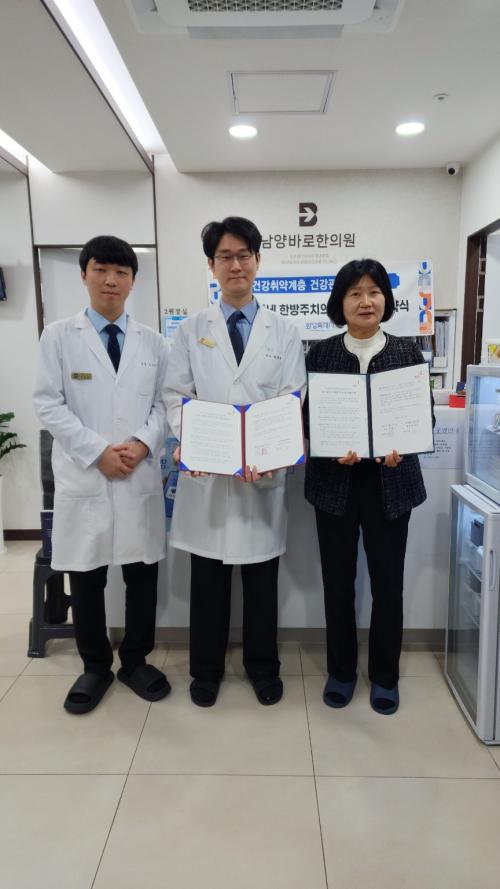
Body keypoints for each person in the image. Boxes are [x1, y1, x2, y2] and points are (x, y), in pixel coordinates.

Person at [166, 216, 306, 707]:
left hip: (260, 479)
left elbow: (292, 396)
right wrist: (188, 442)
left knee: (262, 584)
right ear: (211, 265)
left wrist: (271, 453)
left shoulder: (284, 331)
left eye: (244, 255)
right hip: (207, 478)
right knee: (207, 583)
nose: (236, 265)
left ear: (258, 260)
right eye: (225, 256)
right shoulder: (191, 330)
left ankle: (263, 668)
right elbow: (175, 394)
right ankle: (206, 671)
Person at [33, 235, 170, 714]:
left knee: (142, 576)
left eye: (121, 272)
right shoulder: (58, 336)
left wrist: (142, 443)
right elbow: (48, 403)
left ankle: (135, 661)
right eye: (101, 270)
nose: (111, 280)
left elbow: (164, 405)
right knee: (87, 577)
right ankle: (95, 666)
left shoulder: (154, 342)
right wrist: (97, 453)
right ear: (84, 274)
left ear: (133, 281)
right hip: (85, 476)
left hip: (137, 474)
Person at [304, 258, 431, 716]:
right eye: (355, 293)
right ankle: (341, 672)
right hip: (334, 485)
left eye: (374, 291)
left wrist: (402, 448)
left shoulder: (407, 352)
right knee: (338, 583)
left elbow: (423, 419)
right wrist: (328, 446)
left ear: (386, 300)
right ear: (340, 302)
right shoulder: (320, 353)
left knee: (388, 585)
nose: (365, 301)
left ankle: (385, 676)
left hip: (390, 484)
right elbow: (308, 420)